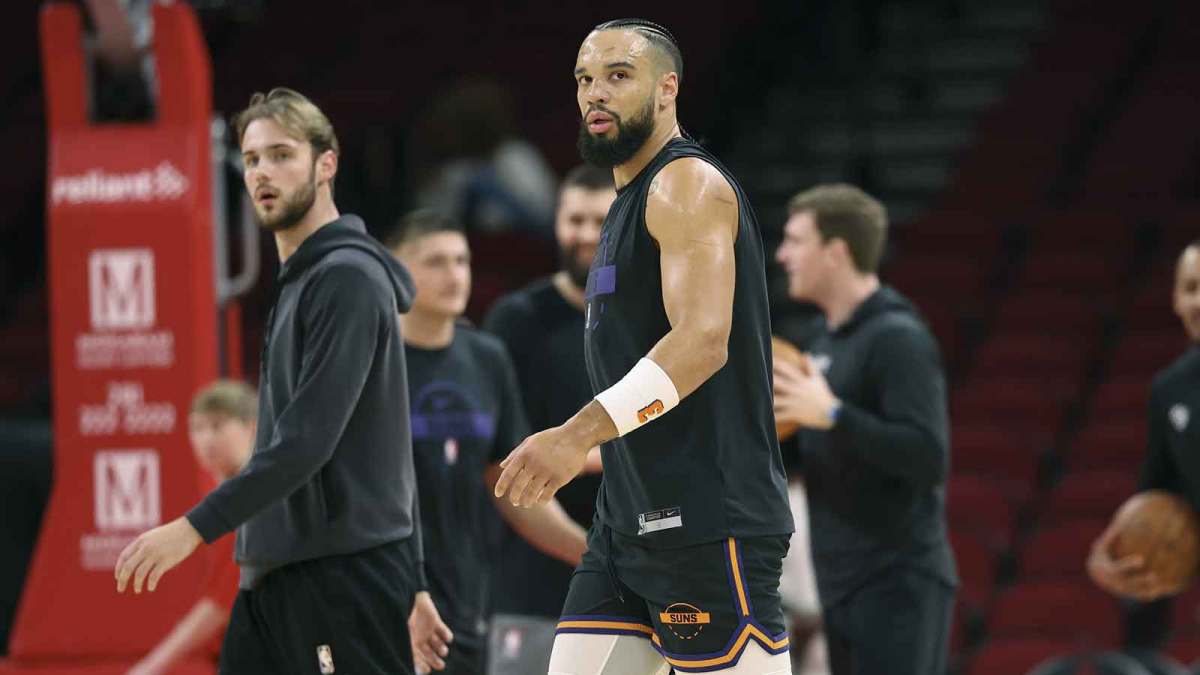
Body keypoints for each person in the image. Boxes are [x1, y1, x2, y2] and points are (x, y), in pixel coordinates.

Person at [493, 19, 795, 675]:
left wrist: (576, 435)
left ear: (667, 90)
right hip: (625, 525)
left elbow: (702, 342)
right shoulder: (624, 201)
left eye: (618, 76)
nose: (595, 93)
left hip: (710, 521)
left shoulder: (684, 184)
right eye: (584, 79)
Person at [115, 87, 425, 675]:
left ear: (325, 163)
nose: (263, 172)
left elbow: (308, 442)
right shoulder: (301, 279)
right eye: (252, 159)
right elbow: (387, 447)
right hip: (274, 574)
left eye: (281, 154)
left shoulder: (346, 279)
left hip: (340, 575)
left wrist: (191, 529)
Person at [385, 210, 589, 674]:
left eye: (462, 261)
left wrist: (590, 552)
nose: (455, 275)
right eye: (436, 262)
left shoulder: (485, 358)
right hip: (386, 603)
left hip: (466, 603)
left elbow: (509, 486)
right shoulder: (371, 360)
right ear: (396, 270)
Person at [772, 184, 957, 675]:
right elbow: (825, 450)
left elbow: (927, 457)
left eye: (795, 241)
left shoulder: (897, 337)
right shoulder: (820, 340)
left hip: (897, 579)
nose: (782, 255)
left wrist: (833, 415)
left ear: (835, 252)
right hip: (841, 577)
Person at [482, 164, 616, 673]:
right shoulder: (516, 319)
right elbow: (503, 461)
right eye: (573, 219)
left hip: (634, 574)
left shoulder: (649, 320)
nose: (584, 234)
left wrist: (583, 456)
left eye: (598, 220)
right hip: (532, 581)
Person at [1089, 241, 1200, 603]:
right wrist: (1112, 555)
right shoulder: (1169, 390)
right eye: (1191, 288)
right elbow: (1158, 498)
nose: (1198, 301)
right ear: (1175, 300)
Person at [127, 381, 256, 675]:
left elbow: (219, 605)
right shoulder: (210, 494)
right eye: (197, 428)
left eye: (217, 426)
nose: (206, 439)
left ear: (251, 427)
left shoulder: (250, 504)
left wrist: (150, 668)